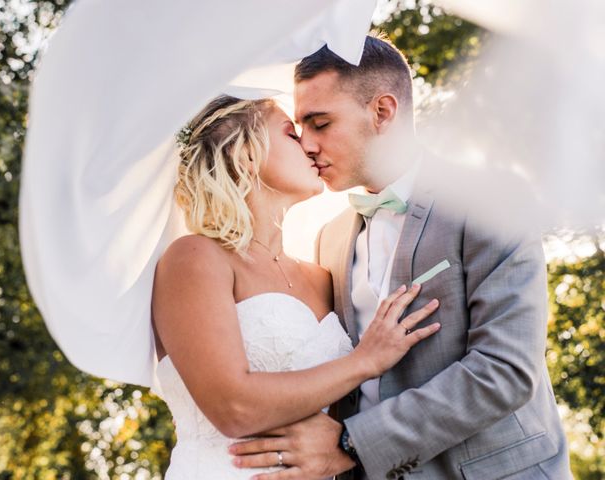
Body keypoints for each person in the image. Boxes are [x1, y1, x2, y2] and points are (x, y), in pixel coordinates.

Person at [230, 36, 572, 480]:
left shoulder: (490, 202)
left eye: (320, 123)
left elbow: (504, 371)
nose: (308, 145)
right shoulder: (329, 240)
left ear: (382, 112)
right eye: (300, 129)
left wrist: (351, 443)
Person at [151, 94, 442, 479]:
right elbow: (233, 409)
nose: (309, 145)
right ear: (247, 156)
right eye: (291, 134)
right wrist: (364, 361)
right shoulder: (194, 257)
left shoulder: (323, 276)